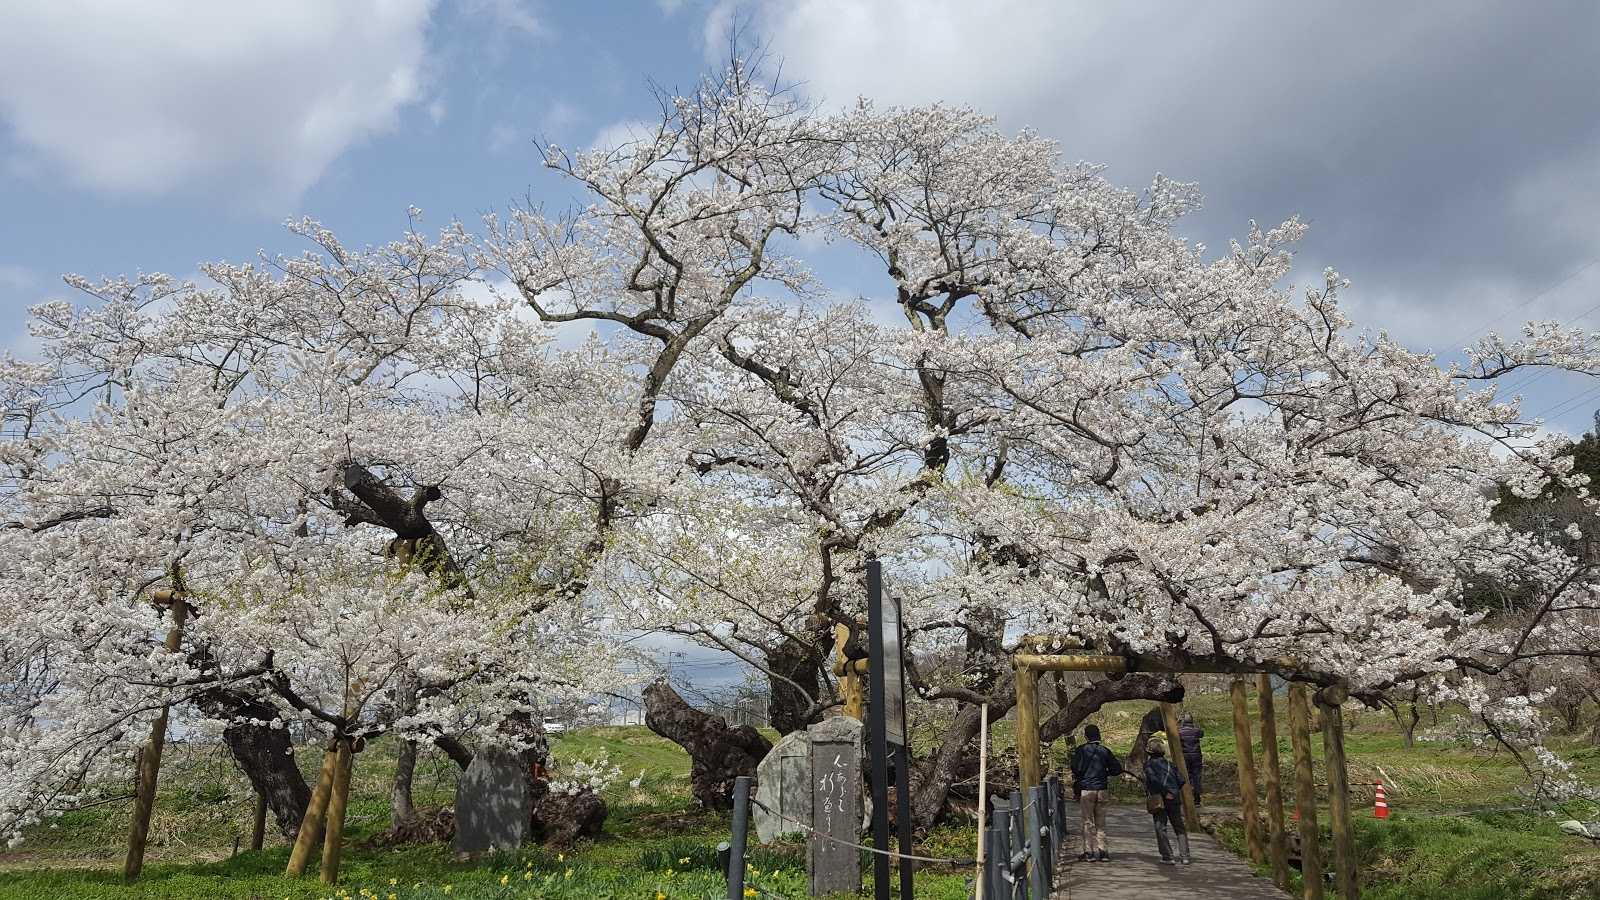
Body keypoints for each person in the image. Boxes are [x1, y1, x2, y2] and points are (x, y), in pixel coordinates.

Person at [1070, 723, 1123, 861]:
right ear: (1098, 735)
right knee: (1101, 823)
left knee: (1087, 822)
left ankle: (1089, 852)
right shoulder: (1105, 751)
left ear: (1086, 736)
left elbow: (1075, 768)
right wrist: (1105, 772)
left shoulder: (1081, 750)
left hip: (1087, 789)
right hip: (1102, 790)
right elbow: (1117, 769)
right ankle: (1103, 852)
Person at [1144, 737, 1192, 865]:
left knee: (1161, 827)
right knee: (1179, 827)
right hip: (1174, 799)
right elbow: (1181, 780)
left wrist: (1165, 793)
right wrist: (1172, 791)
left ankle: (1167, 856)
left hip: (1159, 799)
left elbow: (1153, 781)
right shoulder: (1171, 765)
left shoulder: (1149, 765)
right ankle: (1185, 856)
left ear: (1149, 752)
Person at [1179, 711, 1204, 805]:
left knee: (1186, 776)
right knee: (1197, 776)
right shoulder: (1197, 731)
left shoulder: (1179, 731)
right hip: (1196, 756)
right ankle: (1197, 799)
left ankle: (1186, 798)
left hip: (1185, 756)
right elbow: (1202, 733)